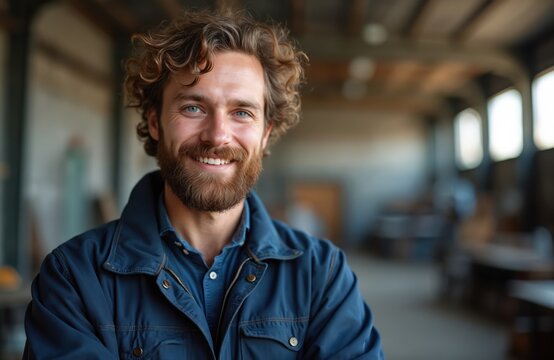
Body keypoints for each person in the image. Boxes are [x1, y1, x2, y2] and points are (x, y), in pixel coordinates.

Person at [24, 9, 384, 359]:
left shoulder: (321, 275)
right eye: (194, 107)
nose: (217, 136)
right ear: (154, 122)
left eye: (242, 112)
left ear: (265, 134)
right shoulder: (76, 278)